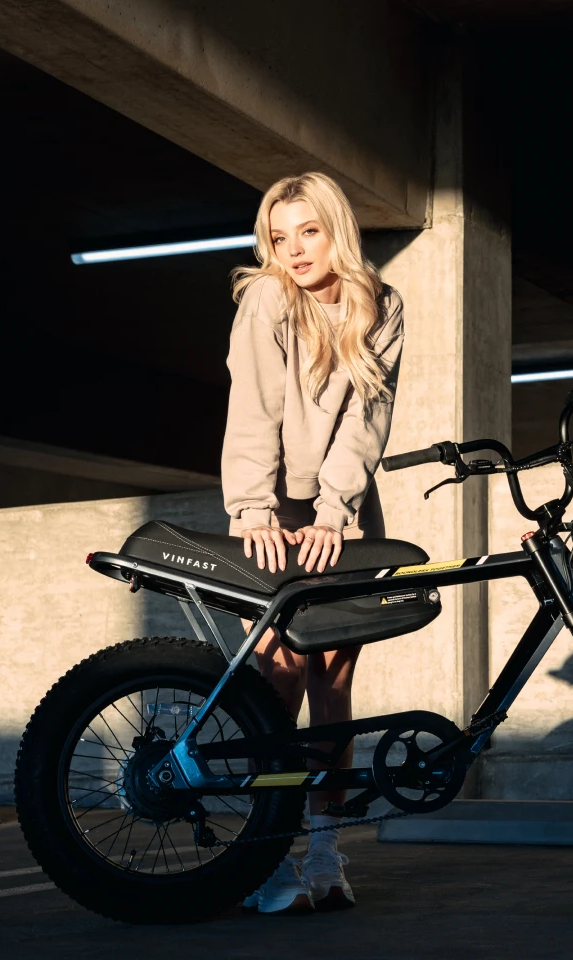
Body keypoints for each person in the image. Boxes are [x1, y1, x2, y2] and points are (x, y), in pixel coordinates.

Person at [222, 171, 404, 913]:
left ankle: (326, 856)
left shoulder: (382, 304)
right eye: (278, 235)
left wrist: (336, 511)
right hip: (272, 508)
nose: (292, 250)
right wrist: (252, 508)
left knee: (333, 684)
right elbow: (253, 406)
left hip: (344, 510)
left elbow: (368, 417)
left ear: (336, 231)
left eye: (307, 231)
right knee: (278, 680)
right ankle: (267, 861)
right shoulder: (268, 297)